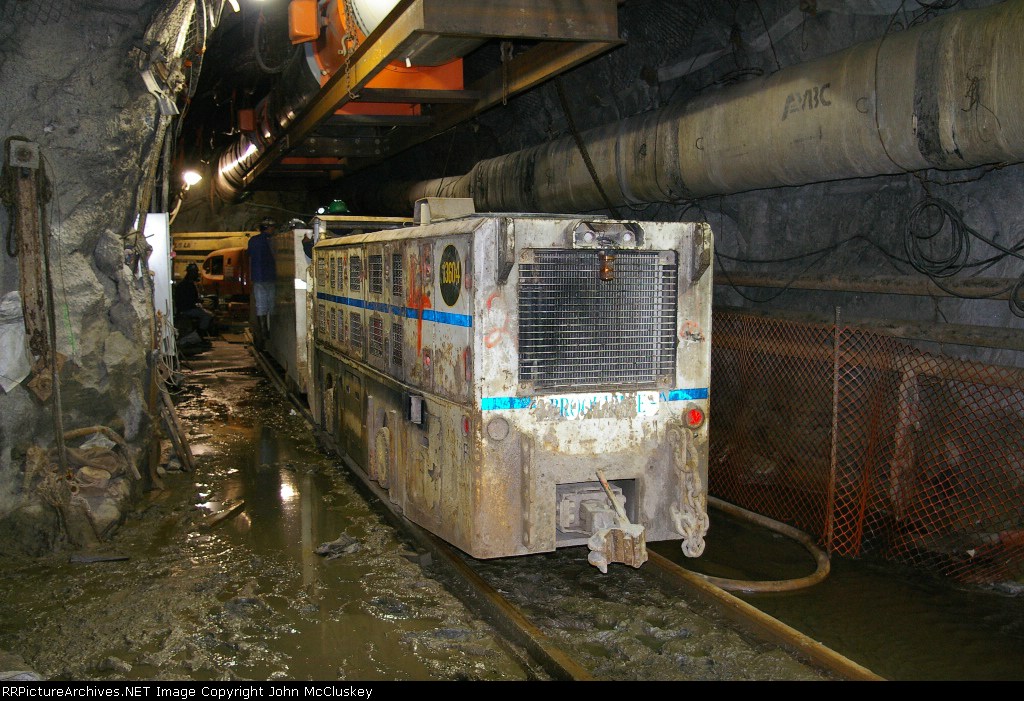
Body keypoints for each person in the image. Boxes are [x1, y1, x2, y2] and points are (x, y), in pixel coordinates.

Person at [248, 217, 277, 347]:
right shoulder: (272, 240)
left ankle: (264, 331)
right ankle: (270, 330)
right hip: (270, 277)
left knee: (260, 305)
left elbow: (249, 256)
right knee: (271, 304)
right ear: (269, 228)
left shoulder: (252, 240)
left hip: (257, 277)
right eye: (272, 227)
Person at [174, 262, 215, 339]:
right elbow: (190, 299)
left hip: (186, 308)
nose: (196, 274)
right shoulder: (187, 285)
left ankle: (199, 334)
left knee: (206, 313)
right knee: (207, 316)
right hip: (186, 309)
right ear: (191, 273)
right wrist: (200, 302)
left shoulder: (185, 284)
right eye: (195, 272)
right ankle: (199, 335)